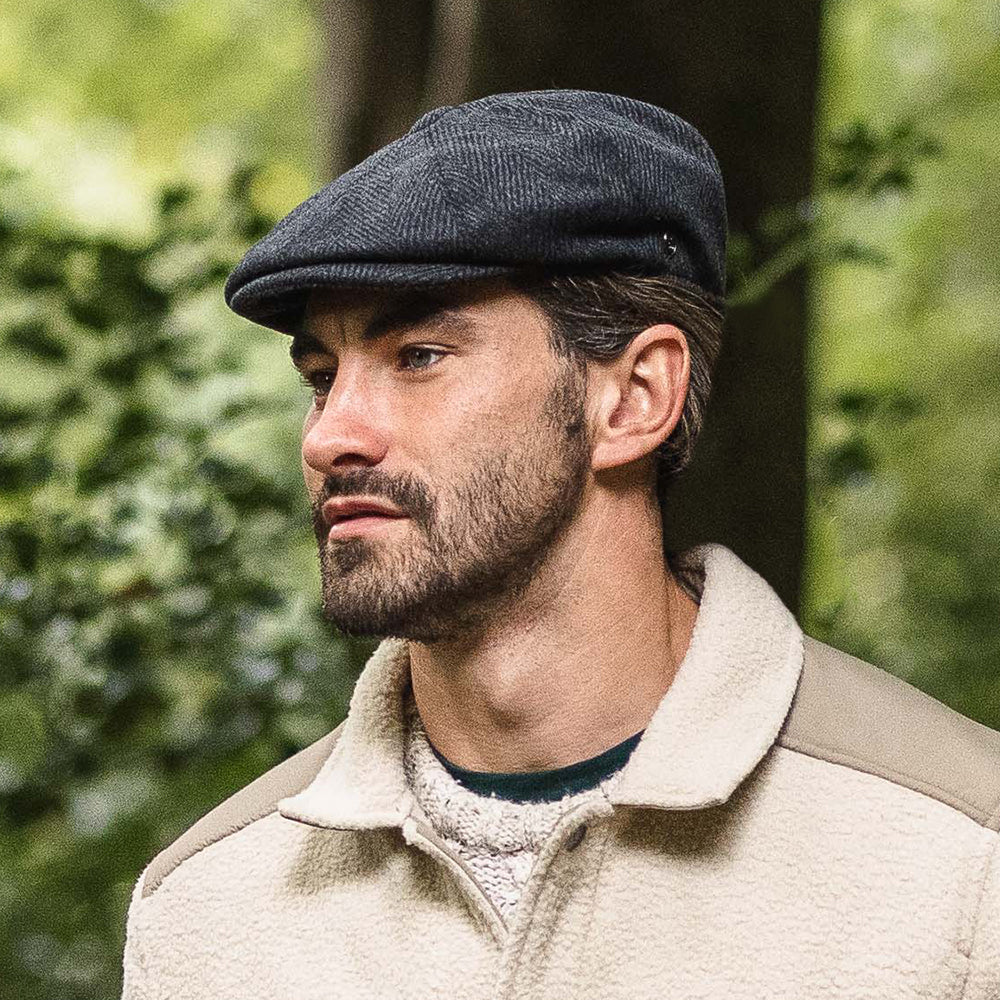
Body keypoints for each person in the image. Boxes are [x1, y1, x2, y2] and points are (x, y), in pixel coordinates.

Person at [121, 90, 1000, 1000]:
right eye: (321, 376)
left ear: (635, 398)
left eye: (419, 356)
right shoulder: (208, 913)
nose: (329, 435)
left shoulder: (963, 866)